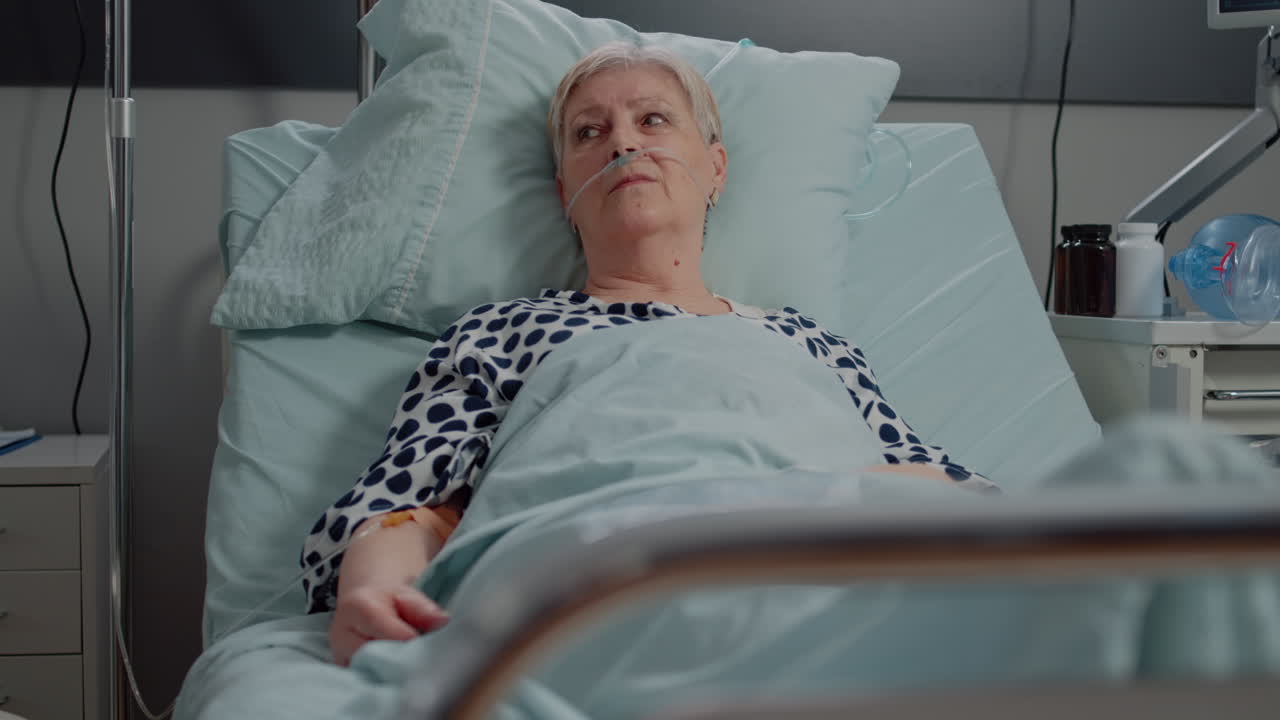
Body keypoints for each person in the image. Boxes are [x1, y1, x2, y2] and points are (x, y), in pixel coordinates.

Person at [301, 43, 995, 666]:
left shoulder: (815, 344)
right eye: (589, 132)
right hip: (587, 574)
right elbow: (406, 510)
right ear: (564, 195)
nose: (622, 144)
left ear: (715, 169)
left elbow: (933, 486)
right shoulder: (500, 333)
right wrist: (374, 587)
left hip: (814, 554)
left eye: (654, 121)